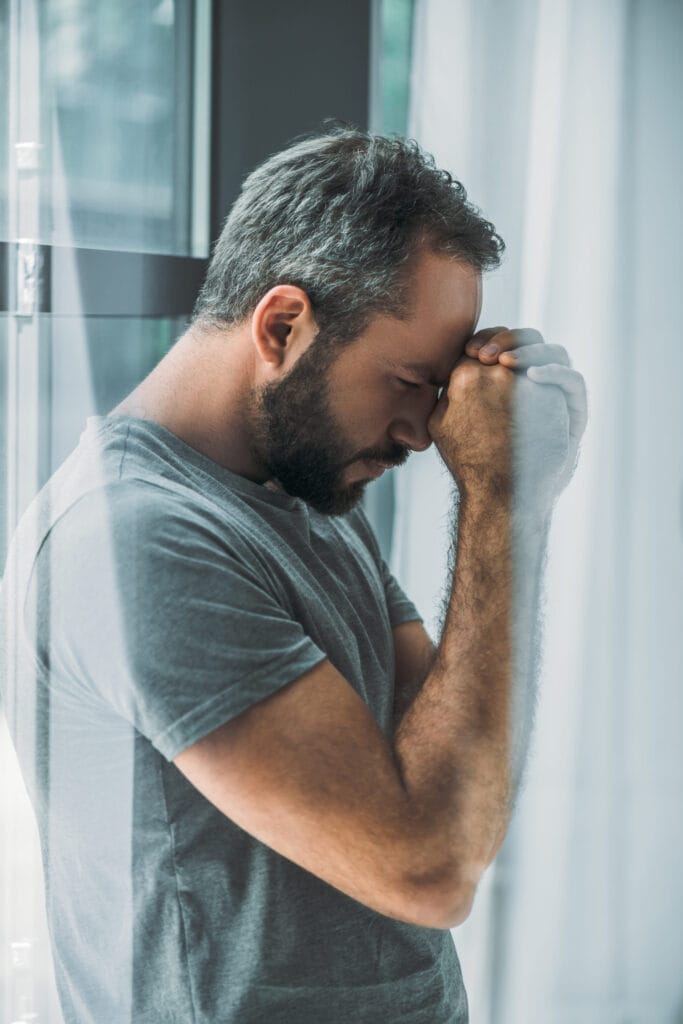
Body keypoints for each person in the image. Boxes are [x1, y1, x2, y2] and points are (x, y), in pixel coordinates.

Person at [0, 126, 587, 1023]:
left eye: (441, 391)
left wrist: (514, 486)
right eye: (407, 380)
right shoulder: (136, 540)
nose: (425, 432)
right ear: (282, 325)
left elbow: (454, 774)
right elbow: (428, 867)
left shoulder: (302, 495)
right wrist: (507, 503)